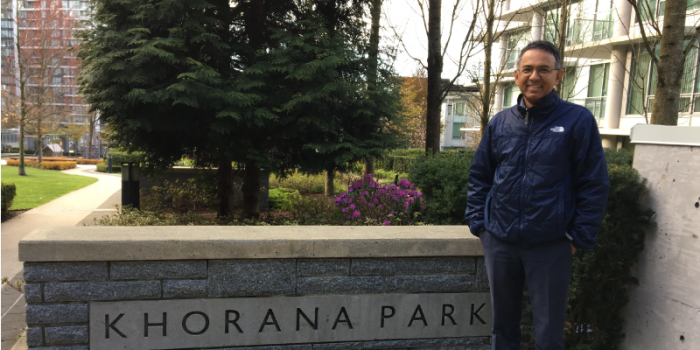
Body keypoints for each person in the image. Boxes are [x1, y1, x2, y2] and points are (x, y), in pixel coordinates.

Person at [465, 40, 610, 350]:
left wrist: (576, 237)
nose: (534, 76)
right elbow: (480, 175)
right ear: (516, 76)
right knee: (503, 327)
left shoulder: (577, 121)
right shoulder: (501, 123)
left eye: (544, 69)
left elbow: (593, 183)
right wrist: (480, 225)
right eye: (527, 69)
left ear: (558, 76)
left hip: (551, 245)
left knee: (548, 333)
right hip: (500, 242)